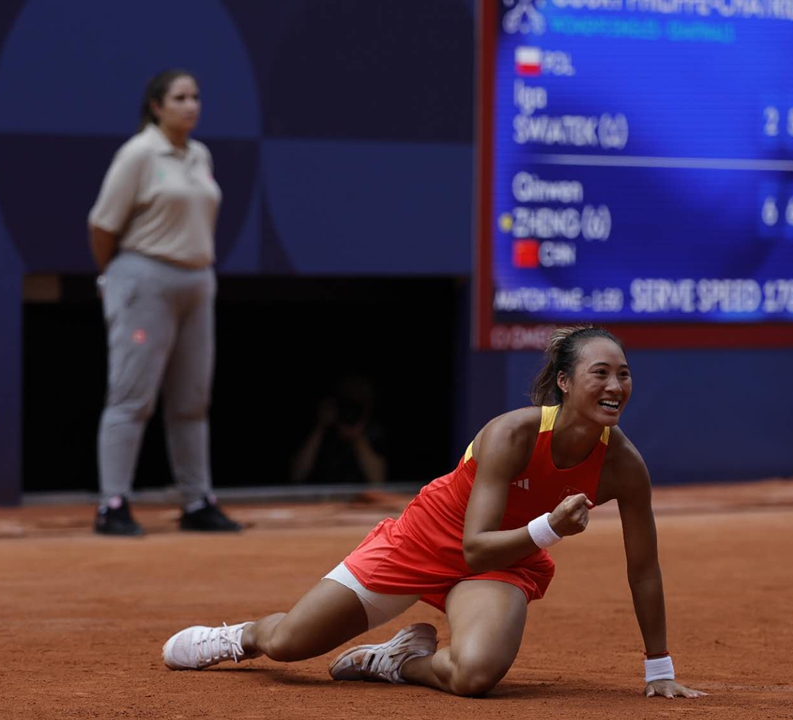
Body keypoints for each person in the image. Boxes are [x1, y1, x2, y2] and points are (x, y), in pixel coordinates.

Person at [160, 326, 704, 700]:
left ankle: (395, 663)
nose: (615, 387)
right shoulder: (511, 433)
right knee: (288, 647)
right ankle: (240, 637)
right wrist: (550, 528)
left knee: (475, 676)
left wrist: (659, 667)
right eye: (601, 373)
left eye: (624, 375)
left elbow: (644, 568)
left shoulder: (623, 465)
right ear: (564, 382)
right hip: (428, 540)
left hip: (503, 566)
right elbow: (473, 544)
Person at [87, 69, 241, 536]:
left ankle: (197, 500)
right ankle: (112, 502)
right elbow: (102, 224)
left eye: (196, 96)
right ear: (157, 105)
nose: (191, 105)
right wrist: (113, 276)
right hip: (144, 277)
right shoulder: (138, 153)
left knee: (192, 399)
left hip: (197, 281)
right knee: (132, 396)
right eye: (180, 97)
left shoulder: (200, 155)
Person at [290, 375, 387, 486]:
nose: (349, 412)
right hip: (320, 498)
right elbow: (297, 474)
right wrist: (320, 427)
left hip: (360, 499)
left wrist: (357, 437)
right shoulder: (323, 429)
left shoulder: (374, 432)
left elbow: (379, 480)